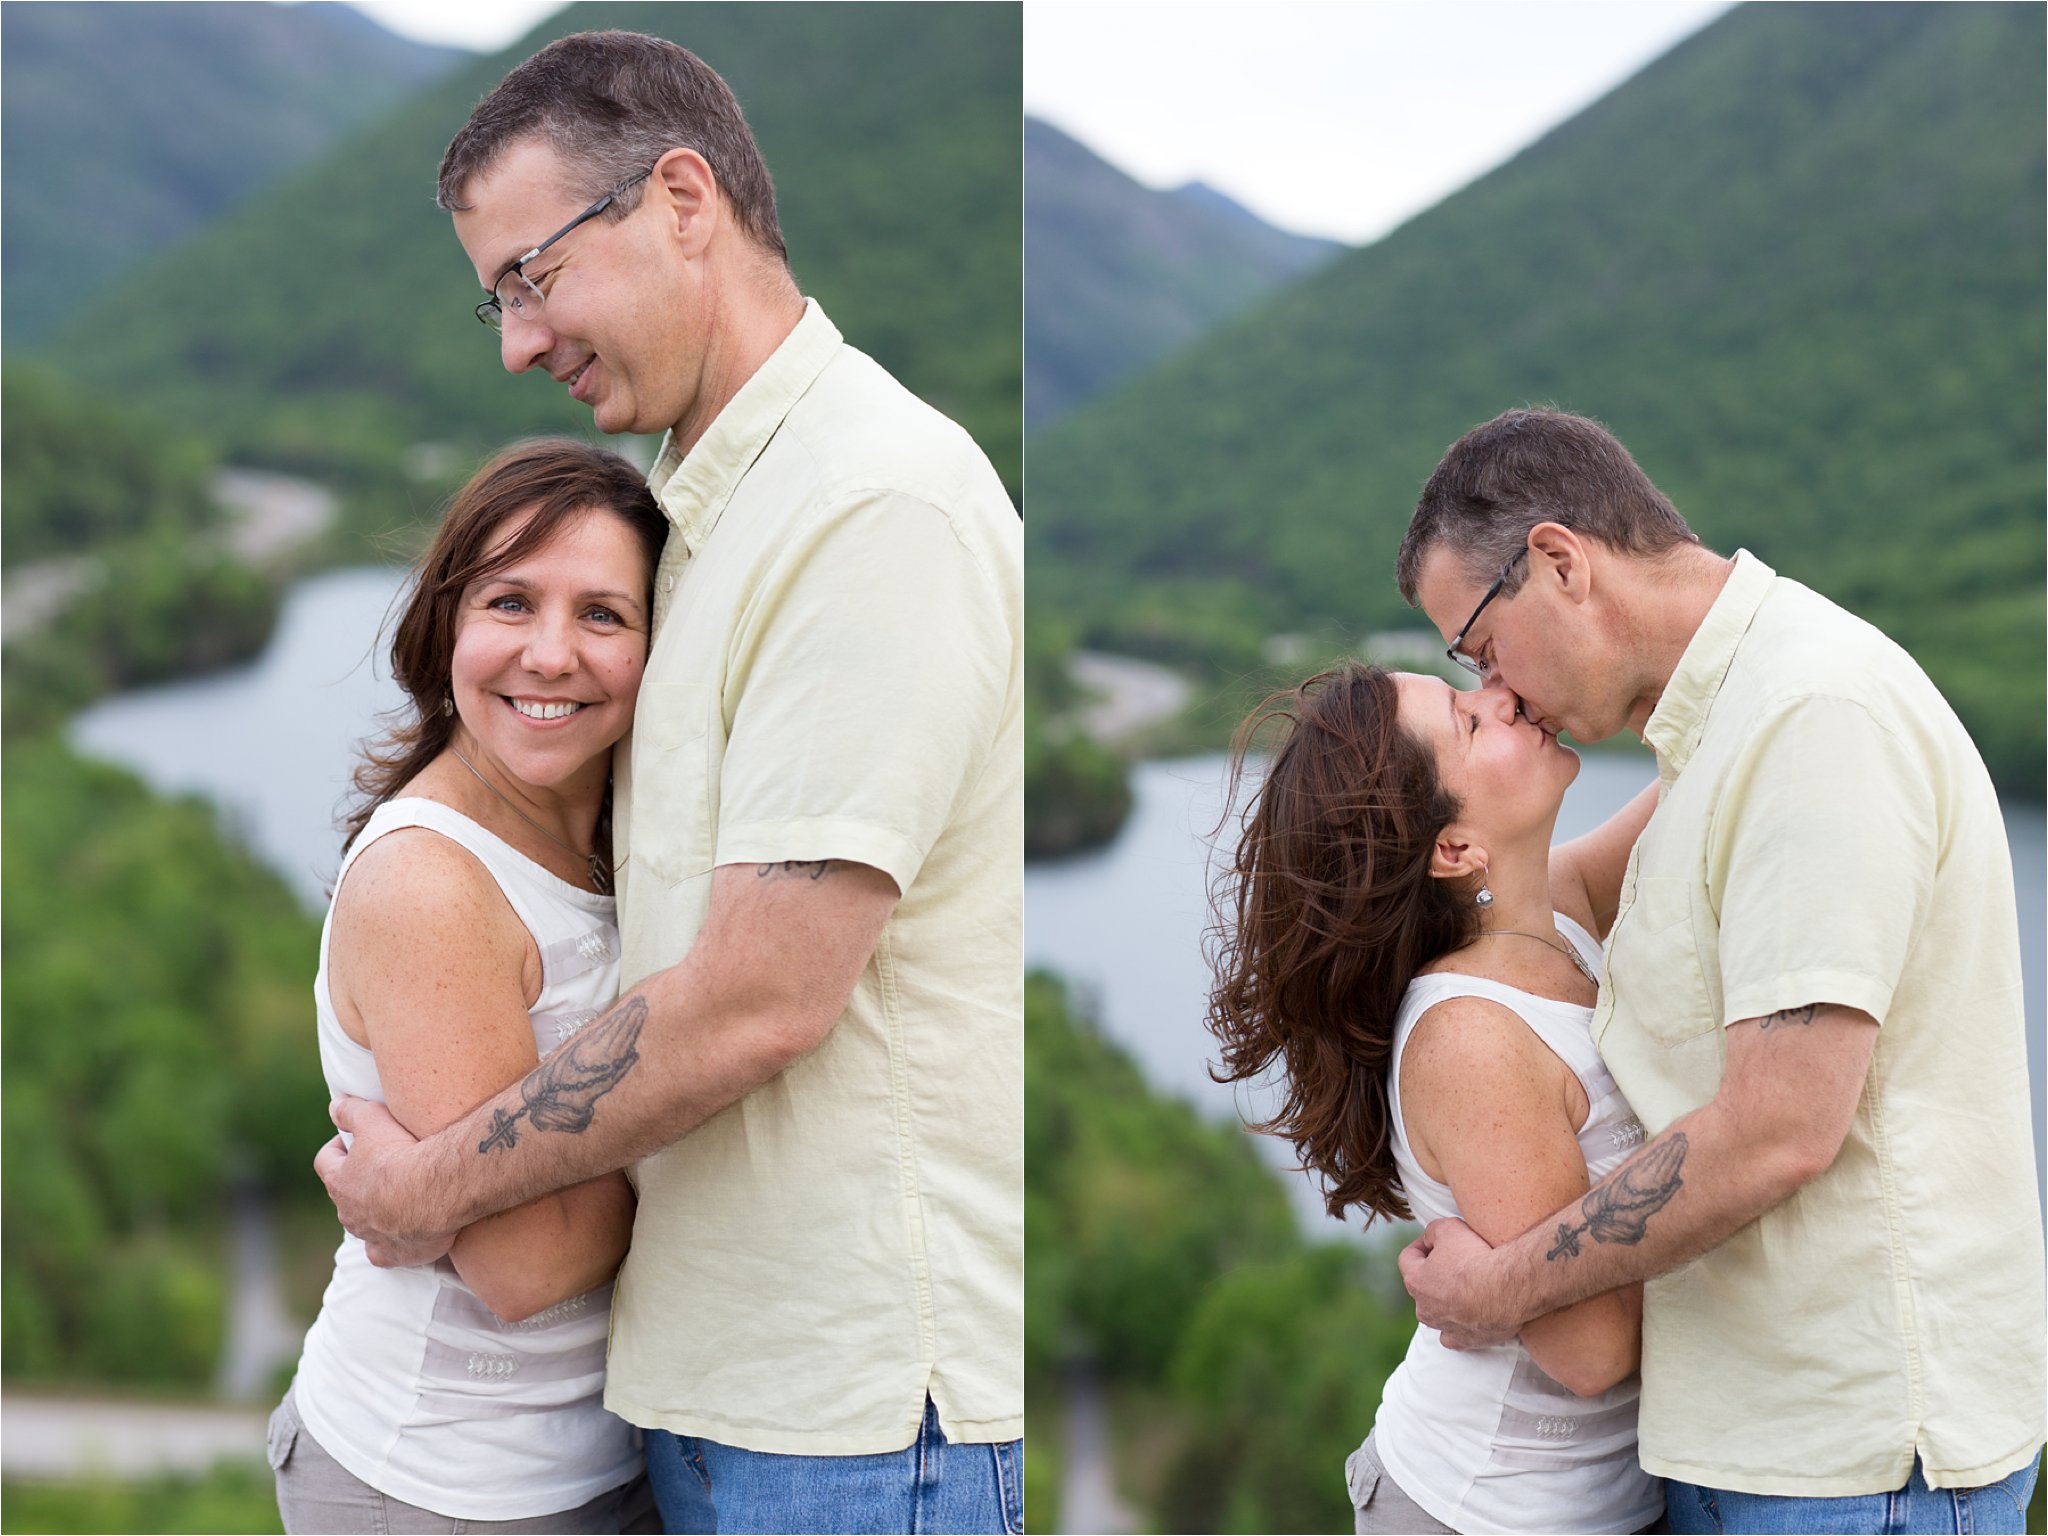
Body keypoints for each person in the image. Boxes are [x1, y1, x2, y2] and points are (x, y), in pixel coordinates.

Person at [314, 30, 1023, 1536]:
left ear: (681, 198)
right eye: (495, 296)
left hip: (847, 1418)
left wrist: (426, 1189)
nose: (514, 340)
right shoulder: (708, 513)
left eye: (529, 277)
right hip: (711, 1393)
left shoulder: (868, 502)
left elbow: (765, 994)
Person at [1392, 408, 2044, 1533]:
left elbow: (1777, 1125)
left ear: (1556, 562)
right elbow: (1529, 915)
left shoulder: (1806, 719)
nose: (1496, 688)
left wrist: (1496, 1291)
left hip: (1849, 1463)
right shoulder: (1720, 721)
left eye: (1481, 647)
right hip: (1756, 1446)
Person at [270, 438, 667, 1533]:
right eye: (508, 601)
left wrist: (471, 1183)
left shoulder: (632, 835)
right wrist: (728, 1114)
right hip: (440, 1486)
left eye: (602, 615)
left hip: (600, 1462)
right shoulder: (430, 886)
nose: (550, 655)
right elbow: (526, 1260)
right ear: (444, 623)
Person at [1208, 662, 1665, 1534]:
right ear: (1454, 850)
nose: (1505, 693)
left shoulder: (1555, 914)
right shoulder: (1471, 1039)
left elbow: (1708, 769)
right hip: (1483, 1510)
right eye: (1468, 718)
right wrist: (1733, 1164)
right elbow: (1591, 1348)